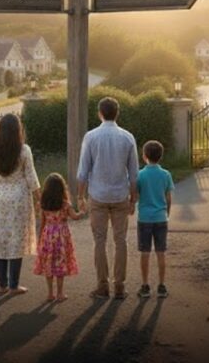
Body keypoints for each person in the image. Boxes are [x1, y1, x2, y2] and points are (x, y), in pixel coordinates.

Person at [77, 97, 139, 300]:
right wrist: (133, 199)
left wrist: (80, 196)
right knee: (121, 240)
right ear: (117, 113)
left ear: (100, 113)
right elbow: (133, 173)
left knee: (100, 241)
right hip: (121, 195)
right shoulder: (128, 137)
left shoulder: (91, 136)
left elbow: (83, 171)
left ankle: (102, 286)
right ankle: (119, 286)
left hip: (98, 195)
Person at [0, 113, 41, 295]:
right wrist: (39, 198)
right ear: (18, 129)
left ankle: (2, 285)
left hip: (0, 198)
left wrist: (1, 188)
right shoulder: (24, 150)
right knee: (16, 240)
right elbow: (31, 177)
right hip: (19, 199)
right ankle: (14, 285)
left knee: (1, 240)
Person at [33, 173, 83, 302]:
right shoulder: (65, 204)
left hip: (47, 236)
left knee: (49, 263)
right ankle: (60, 293)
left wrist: (39, 239)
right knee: (60, 264)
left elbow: (42, 223)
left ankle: (50, 294)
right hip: (62, 237)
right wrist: (83, 211)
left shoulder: (43, 204)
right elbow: (75, 217)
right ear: (62, 189)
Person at [135, 140, 174, 299]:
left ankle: (145, 286)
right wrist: (167, 213)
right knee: (161, 253)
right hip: (160, 218)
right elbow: (168, 197)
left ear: (144, 156)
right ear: (160, 156)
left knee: (145, 253)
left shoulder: (140, 175)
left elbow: (136, 195)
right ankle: (162, 285)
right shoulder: (165, 174)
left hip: (144, 218)